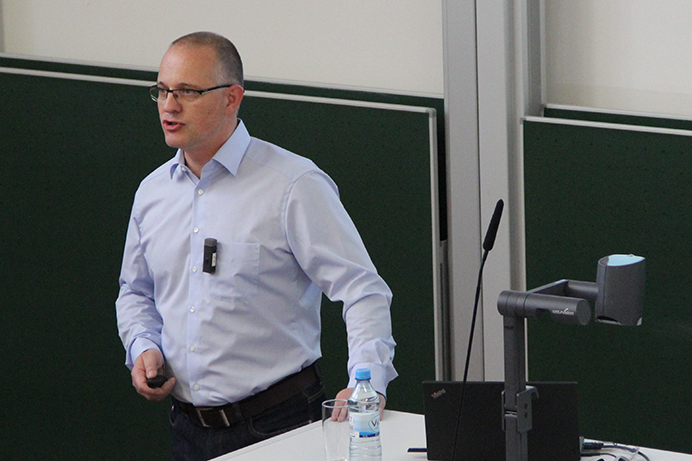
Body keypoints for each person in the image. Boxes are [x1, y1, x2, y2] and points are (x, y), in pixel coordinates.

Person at [115, 31, 397, 460]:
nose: (169, 106)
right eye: (162, 90)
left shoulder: (292, 185)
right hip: (186, 427)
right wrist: (143, 346)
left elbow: (362, 290)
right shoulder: (152, 193)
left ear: (232, 98)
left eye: (188, 92)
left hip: (278, 425)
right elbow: (135, 291)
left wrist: (368, 384)